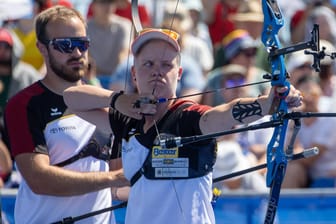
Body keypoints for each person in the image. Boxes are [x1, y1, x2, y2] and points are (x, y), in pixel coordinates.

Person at [64, 28, 303, 224]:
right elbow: (71, 97)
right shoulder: (127, 119)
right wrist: (117, 100)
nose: (157, 71)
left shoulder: (190, 117)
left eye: (166, 64)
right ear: (134, 74)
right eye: (148, 64)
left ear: (178, 74)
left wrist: (266, 103)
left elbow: (225, 113)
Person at [4, 6, 129, 224]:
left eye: (83, 44)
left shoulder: (107, 102)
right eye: (66, 45)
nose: (77, 53)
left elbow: (120, 181)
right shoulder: (24, 104)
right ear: (42, 48)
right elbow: (38, 179)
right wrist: (111, 179)